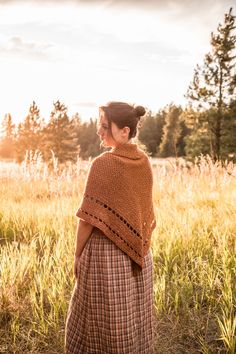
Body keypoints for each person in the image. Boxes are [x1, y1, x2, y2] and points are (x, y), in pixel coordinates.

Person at [65, 101, 156, 354]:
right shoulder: (144, 161)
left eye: (105, 126)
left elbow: (86, 219)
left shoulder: (103, 164)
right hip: (140, 256)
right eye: (99, 124)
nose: (99, 131)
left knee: (103, 320)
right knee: (132, 317)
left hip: (107, 258)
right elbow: (143, 213)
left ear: (124, 131)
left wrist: (77, 254)